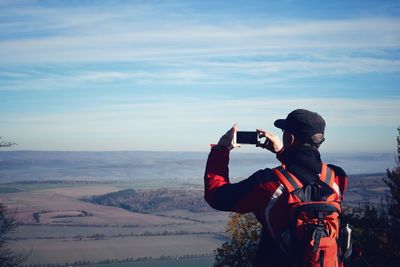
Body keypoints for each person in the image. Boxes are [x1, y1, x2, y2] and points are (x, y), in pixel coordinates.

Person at [204, 109, 348, 266]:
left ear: (290, 138)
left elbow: (217, 196)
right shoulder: (337, 178)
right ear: (320, 140)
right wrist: (282, 152)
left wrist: (221, 150)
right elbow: (307, 177)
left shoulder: (268, 182)